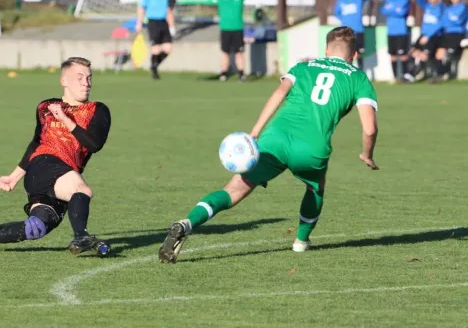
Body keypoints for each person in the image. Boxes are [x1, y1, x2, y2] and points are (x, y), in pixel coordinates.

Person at [159, 26, 379, 263]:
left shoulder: (303, 67)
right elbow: (369, 129)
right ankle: (301, 242)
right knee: (316, 187)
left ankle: (187, 222)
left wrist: (255, 132)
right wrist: (367, 154)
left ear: (326, 50)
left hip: (275, 139)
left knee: (234, 190)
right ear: (354, 54)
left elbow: (279, 93)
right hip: (312, 149)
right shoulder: (358, 79)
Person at [0, 57, 112, 256]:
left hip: (62, 176)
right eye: (79, 77)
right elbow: (37, 143)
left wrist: (64, 118)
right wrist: (14, 176)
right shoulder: (45, 107)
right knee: (82, 190)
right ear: (64, 81)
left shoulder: (98, 110)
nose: (86, 83)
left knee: (35, 227)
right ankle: (81, 236)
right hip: (43, 164)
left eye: (89, 78)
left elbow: (93, 144)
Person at [136, 0, 179, 80]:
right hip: (152, 21)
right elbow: (142, 8)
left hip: (163, 21)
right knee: (155, 48)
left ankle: (154, 65)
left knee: (168, 48)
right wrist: (139, 22)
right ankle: (154, 71)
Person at [207, 0, 252, 82]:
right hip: (225, 28)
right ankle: (224, 73)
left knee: (239, 52)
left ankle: (241, 74)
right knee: (225, 52)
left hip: (238, 28)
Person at [404, 0, 445, 82]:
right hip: (423, 34)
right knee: (412, 51)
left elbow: (441, 23)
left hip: (434, 36)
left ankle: (415, 75)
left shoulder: (441, 7)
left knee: (425, 55)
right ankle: (411, 73)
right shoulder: (427, 6)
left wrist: (428, 36)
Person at [334, 0, 372, 70]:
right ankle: (348, 71)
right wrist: (344, 20)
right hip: (346, 31)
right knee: (347, 52)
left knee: (358, 53)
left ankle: (360, 72)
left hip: (358, 29)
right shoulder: (341, 0)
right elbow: (337, 13)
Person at [380, 0, 411, 82]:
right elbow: (383, 11)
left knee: (403, 55)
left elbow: (402, 12)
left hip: (401, 31)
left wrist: (391, 10)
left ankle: (405, 76)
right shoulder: (389, 0)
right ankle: (395, 77)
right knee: (392, 55)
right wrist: (395, 10)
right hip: (391, 32)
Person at [435, 0, 468, 81]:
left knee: (450, 53)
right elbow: (443, 22)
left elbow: (458, 21)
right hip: (447, 33)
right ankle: (440, 73)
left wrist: (450, 22)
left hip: (458, 33)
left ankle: (443, 73)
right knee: (439, 53)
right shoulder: (448, 9)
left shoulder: (464, 7)